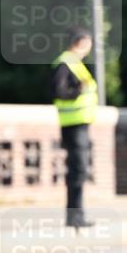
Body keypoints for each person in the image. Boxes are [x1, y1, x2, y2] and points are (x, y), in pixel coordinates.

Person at [50, 28, 97, 230]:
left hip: (79, 124)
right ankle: (74, 216)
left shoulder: (74, 63)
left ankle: (76, 215)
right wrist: (79, 90)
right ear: (82, 42)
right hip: (73, 125)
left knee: (79, 170)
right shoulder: (66, 62)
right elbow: (58, 91)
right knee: (78, 171)